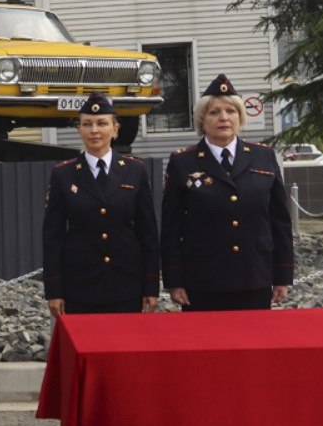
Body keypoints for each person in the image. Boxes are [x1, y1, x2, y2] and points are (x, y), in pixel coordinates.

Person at [161, 74, 294, 311]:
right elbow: (171, 226)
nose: (224, 117)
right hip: (202, 279)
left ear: (240, 117)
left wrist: (282, 275)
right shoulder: (183, 162)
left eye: (231, 111)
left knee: (253, 344)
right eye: (214, 112)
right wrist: (174, 280)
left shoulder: (263, 156)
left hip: (254, 275)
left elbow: (279, 221)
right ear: (202, 119)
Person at [42, 92, 160, 316]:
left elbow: (148, 234)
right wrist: (54, 290)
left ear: (115, 129)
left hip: (127, 284)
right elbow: (52, 237)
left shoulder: (135, 171)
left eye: (101, 123)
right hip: (80, 286)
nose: (94, 130)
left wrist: (151, 286)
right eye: (87, 124)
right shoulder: (63, 174)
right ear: (79, 130)